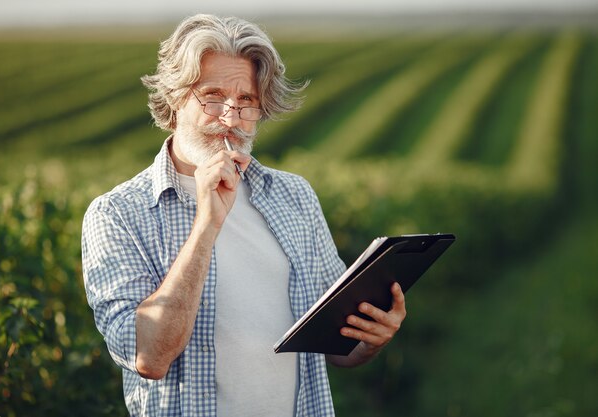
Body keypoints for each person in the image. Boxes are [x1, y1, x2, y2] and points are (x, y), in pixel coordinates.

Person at [81, 14, 406, 417]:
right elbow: (149, 355)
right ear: (174, 99)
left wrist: (371, 339)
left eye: (247, 102)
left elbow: (338, 346)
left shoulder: (294, 196)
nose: (230, 119)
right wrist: (207, 223)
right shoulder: (118, 215)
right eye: (212, 97)